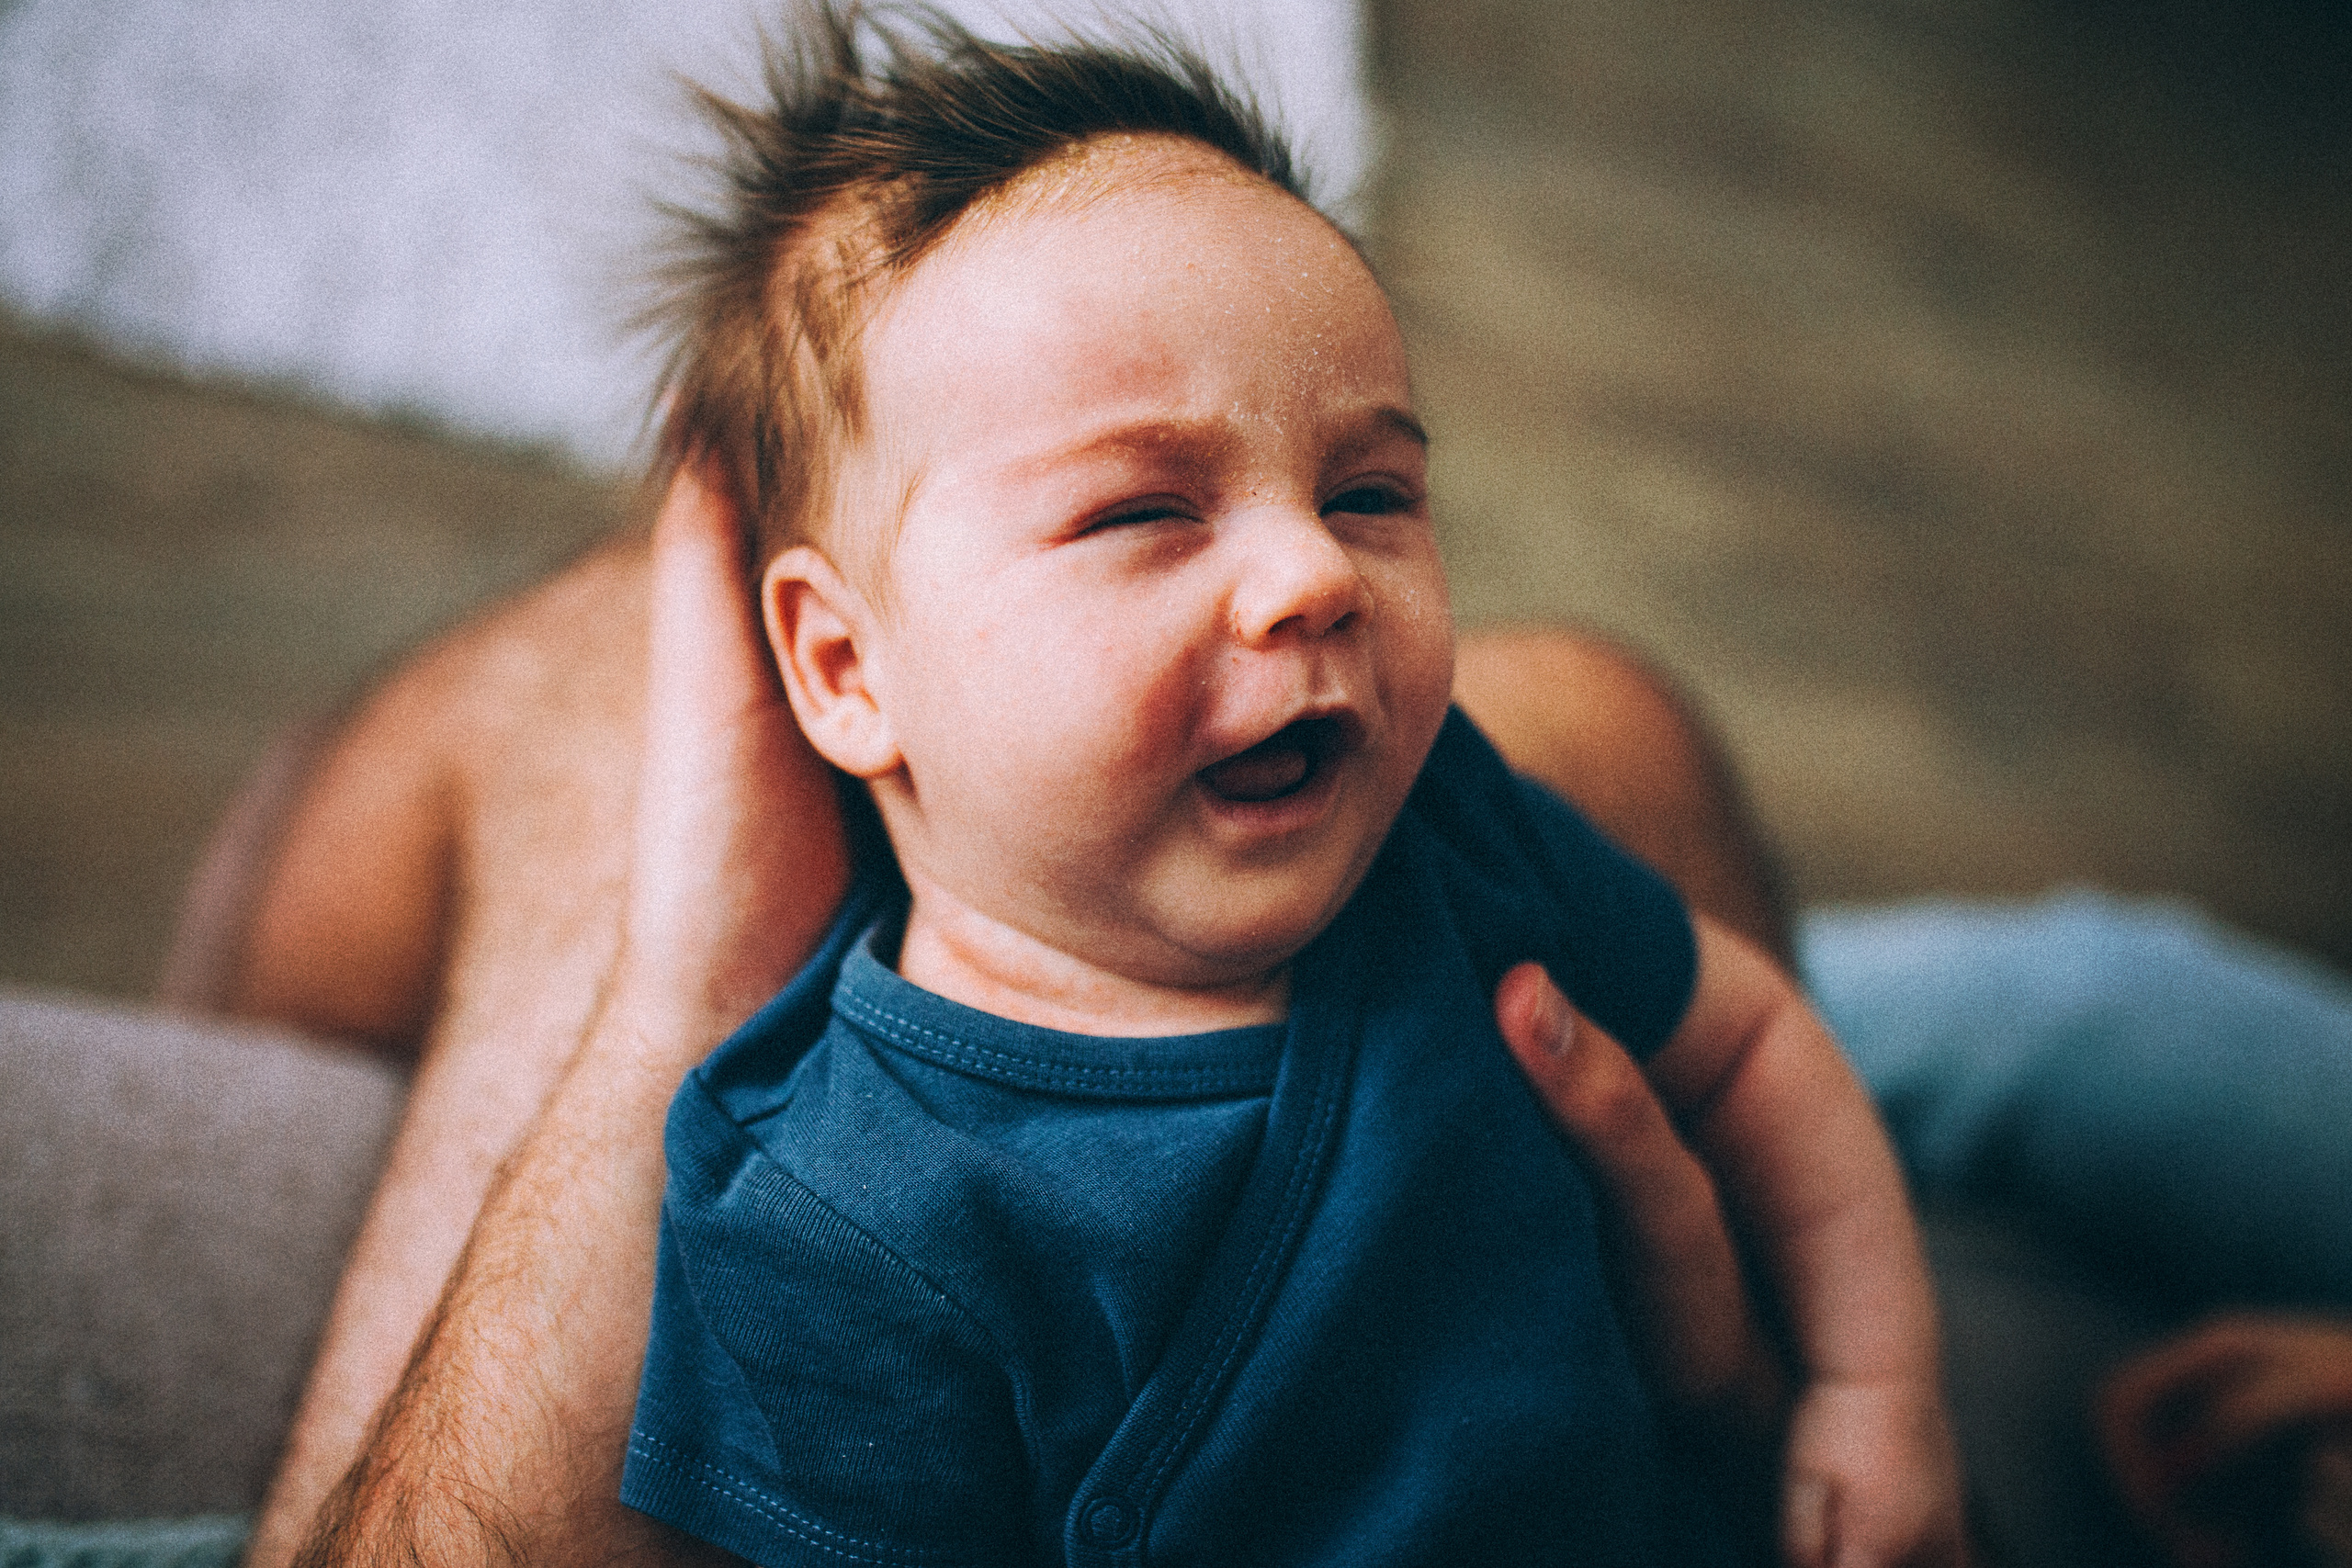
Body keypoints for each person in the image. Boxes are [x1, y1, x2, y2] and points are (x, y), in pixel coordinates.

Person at [324, 15, 1951, 1565]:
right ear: (844, 667)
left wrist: (1875, 1392)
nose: (1314, 574)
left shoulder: (1454, 830)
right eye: (1142, 513)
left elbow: (1748, 1046)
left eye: (1370, 492)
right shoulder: (839, 1214)